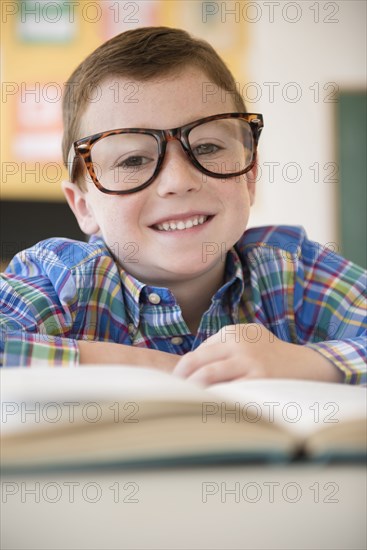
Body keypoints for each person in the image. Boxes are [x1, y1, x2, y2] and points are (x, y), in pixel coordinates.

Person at [0, 27, 365, 385]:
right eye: (132, 161)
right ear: (84, 207)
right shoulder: (60, 281)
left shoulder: (290, 272)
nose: (178, 181)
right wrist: (160, 369)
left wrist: (309, 362)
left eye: (207, 148)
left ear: (250, 177)